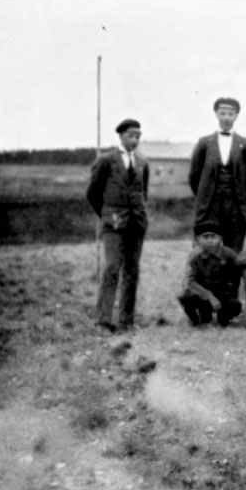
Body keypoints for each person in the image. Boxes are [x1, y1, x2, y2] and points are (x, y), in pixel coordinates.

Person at [86, 118, 149, 333]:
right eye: (131, 136)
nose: (135, 140)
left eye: (138, 136)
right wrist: (106, 215)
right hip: (113, 224)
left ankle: (126, 321)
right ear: (121, 136)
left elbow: (143, 193)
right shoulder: (106, 160)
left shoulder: (142, 162)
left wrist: (140, 215)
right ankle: (103, 321)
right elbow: (93, 193)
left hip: (136, 224)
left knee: (132, 270)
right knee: (112, 267)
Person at [189, 97, 246, 253]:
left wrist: (244, 198)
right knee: (206, 249)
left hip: (236, 206)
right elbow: (194, 176)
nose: (226, 118)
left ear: (236, 116)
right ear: (216, 114)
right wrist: (205, 195)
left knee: (234, 250)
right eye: (223, 113)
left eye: (230, 114)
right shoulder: (204, 143)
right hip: (210, 205)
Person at [177, 222, 242, 327]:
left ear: (220, 238)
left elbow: (239, 270)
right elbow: (190, 280)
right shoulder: (195, 256)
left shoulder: (228, 254)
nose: (209, 240)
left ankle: (223, 318)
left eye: (213, 237)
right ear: (198, 239)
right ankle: (196, 320)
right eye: (205, 237)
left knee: (235, 306)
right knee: (185, 297)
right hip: (202, 291)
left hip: (223, 291)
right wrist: (209, 296)